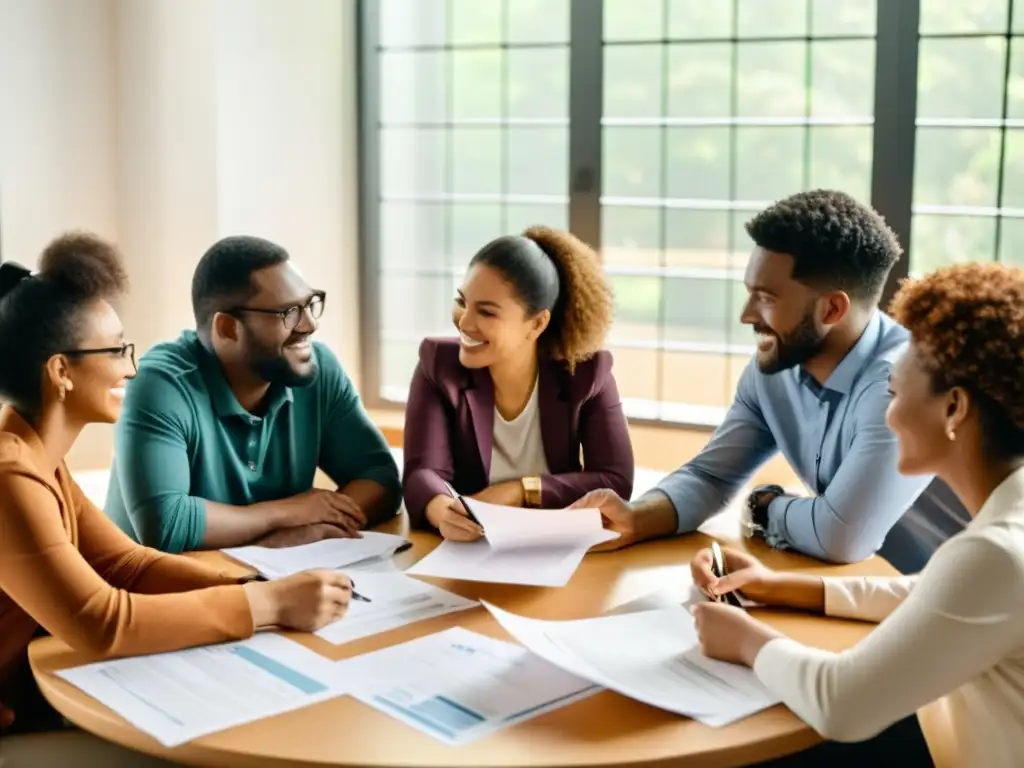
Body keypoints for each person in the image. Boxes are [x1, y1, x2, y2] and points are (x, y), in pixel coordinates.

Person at [0, 234, 354, 762]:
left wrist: (251, 582)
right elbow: (103, 622)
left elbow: (124, 563)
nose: (131, 368)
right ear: (61, 372)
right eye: (117, 349)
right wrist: (270, 604)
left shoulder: (37, 456)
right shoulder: (10, 476)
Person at [689, 262, 1024, 766]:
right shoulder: (1005, 526)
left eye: (893, 392)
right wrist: (782, 588)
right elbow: (934, 593)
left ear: (954, 409)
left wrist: (746, 639)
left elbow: (842, 705)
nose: (886, 414)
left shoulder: (995, 552)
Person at [571, 190, 941, 568]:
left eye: (765, 298)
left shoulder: (899, 385)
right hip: (859, 591)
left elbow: (840, 538)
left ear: (832, 308)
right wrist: (636, 517)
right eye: (749, 293)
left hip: (954, 603)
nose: (746, 315)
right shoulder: (775, 371)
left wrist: (765, 507)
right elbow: (711, 476)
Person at [104, 236, 401, 554]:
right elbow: (166, 525)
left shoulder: (317, 368)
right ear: (228, 328)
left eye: (309, 303)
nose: (310, 324)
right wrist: (287, 514)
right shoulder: (160, 383)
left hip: (270, 583)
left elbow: (379, 478)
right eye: (288, 312)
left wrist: (311, 532)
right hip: (153, 591)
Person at [403, 226, 633, 539]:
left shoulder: (585, 373)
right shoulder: (438, 366)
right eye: (462, 302)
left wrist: (520, 491)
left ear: (537, 323)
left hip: (556, 544)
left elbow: (615, 480)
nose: (464, 322)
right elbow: (422, 473)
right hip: (472, 548)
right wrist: (443, 510)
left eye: (485, 311)